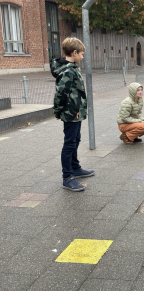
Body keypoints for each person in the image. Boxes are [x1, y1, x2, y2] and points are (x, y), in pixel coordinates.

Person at [51, 37, 94, 192]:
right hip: (71, 113)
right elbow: (60, 94)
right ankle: (67, 177)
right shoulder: (68, 71)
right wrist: (57, 111)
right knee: (69, 144)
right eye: (81, 54)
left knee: (76, 139)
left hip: (77, 112)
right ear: (74, 52)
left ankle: (75, 168)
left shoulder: (73, 67)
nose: (82, 57)